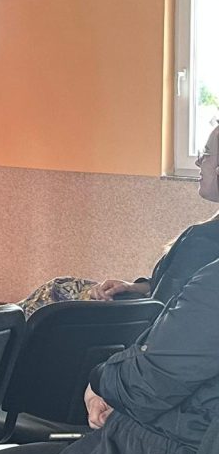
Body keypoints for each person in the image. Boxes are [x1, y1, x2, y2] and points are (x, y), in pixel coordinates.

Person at [0, 124, 219, 454]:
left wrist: (102, 382)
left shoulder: (208, 257)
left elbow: (155, 377)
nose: (199, 161)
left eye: (207, 153)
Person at [18, 124, 219, 316]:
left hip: (137, 326)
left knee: (54, 293)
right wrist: (135, 287)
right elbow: (172, 291)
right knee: (58, 288)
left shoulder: (201, 240)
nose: (198, 161)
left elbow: (162, 312)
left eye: (207, 153)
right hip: (145, 310)